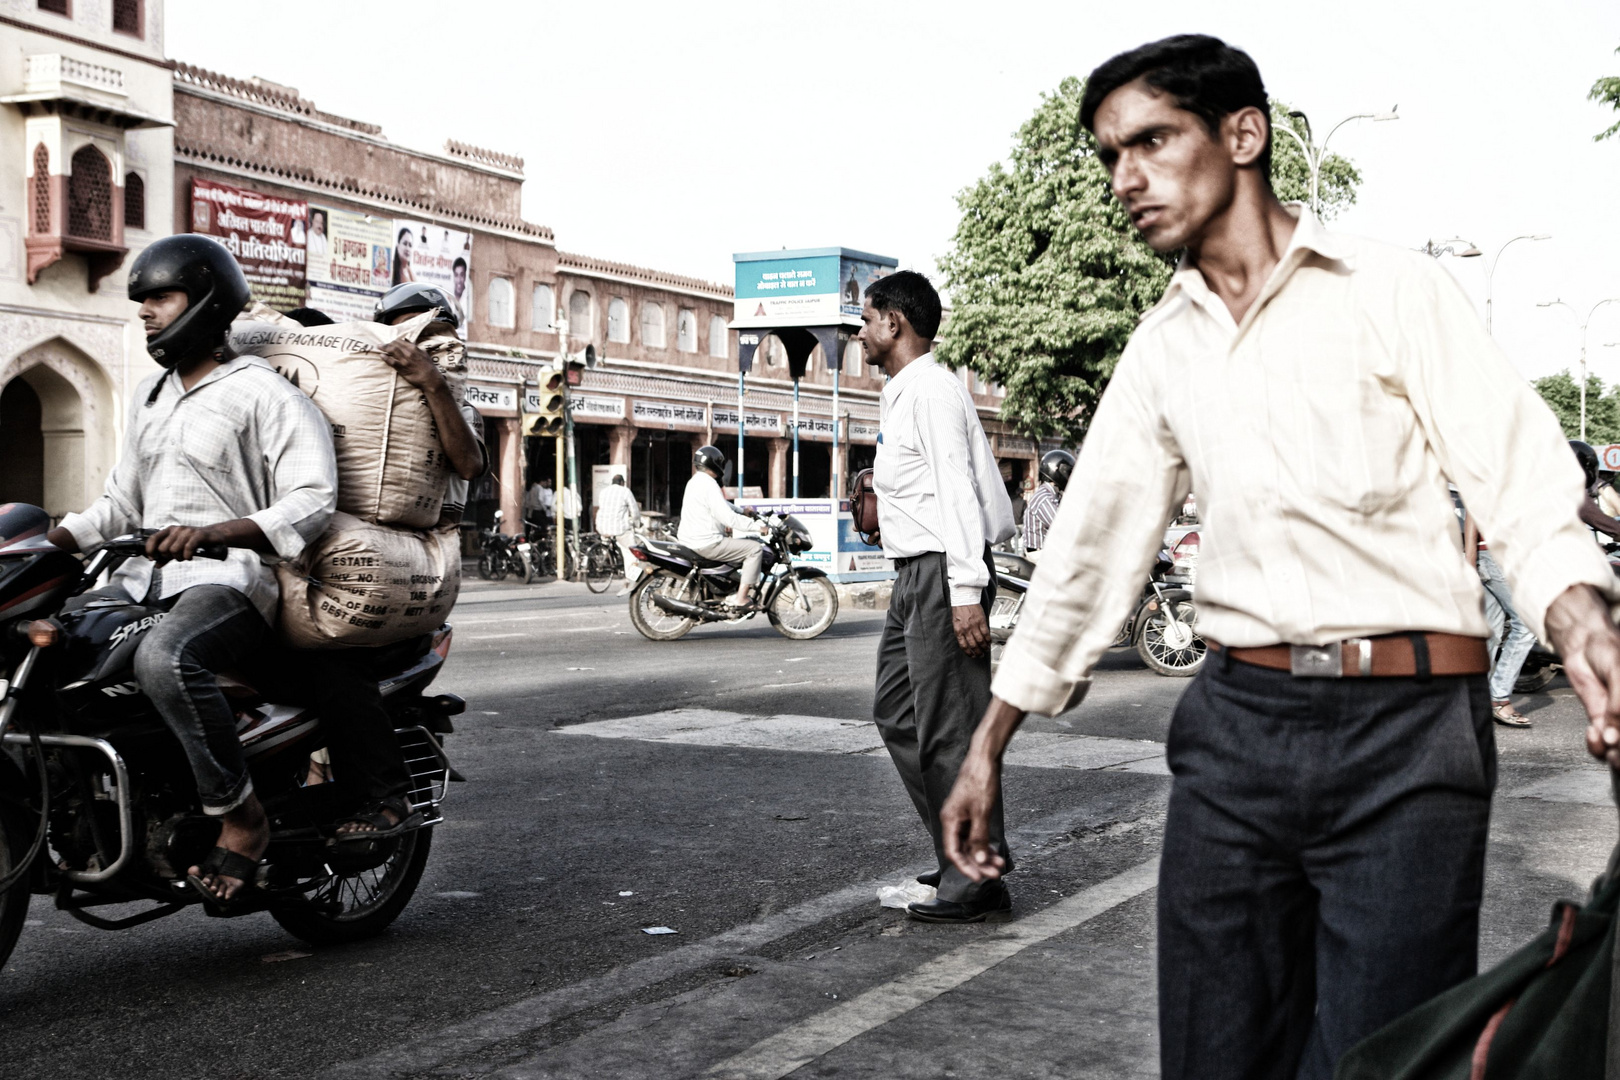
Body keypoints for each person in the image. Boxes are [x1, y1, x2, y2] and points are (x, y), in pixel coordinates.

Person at [937, 36, 1620, 1080]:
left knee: (1383, 1060)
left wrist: (1579, 623)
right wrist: (990, 740)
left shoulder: (1391, 290)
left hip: (1411, 739)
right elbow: (1091, 550)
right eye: (1110, 155)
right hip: (1236, 734)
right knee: (1214, 1054)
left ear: (1243, 134)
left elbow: (1516, 473)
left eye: (1152, 141)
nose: (1125, 179)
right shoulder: (1164, 345)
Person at [44, 234, 338, 906]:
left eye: (161, 296)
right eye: (141, 300)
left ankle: (243, 820)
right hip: (138, 585)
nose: (146, 311)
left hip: (228, 582)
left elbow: (313, 498)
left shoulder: (263, 392)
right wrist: (38, 546)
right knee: (50, 651)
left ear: (206, 301)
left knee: (167, 660)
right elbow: (118, 504)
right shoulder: (150, 396)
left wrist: (215, 533)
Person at [273, 282, 485, 843]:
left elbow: (468, 463)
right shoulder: (354, 388)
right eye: (399, 327)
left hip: (402, 563)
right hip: (317, 549)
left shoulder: (451, 396)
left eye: (423, 328)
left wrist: (430, 382)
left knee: (330, 658)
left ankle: (383, 796)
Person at [861, 270, 1016, 924]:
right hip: (911, 575)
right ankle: (962, 853)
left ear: (894, 323)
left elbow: (957, 490)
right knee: (898, 712)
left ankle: (975, 873)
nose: (861, 333)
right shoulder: (902, 395)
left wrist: (968, 592)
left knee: (949, 728)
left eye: (866, 320)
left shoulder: (933, 390)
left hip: (942, 575)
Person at [1462, 509, 1536, 727]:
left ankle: (1478, 700)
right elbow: (1473, 507)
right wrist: (1470, 559)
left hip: (1495, 555)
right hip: (1496, 556)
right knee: (1527, 625)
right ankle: (1498, 698)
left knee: (1491, 630)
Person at [677, 445, 768, 610]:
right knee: (754, 549)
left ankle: (726, 590)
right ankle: (741, 598)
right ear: (714, 464)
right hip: (707, 542)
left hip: (690, 539)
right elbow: (728, 518)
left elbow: (721, 504)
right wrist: (757, 527)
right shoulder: (710, 484)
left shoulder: (695, 481)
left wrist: (743, 511)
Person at [595, 473, 643, 596]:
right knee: (630, 553)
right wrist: (637, 524)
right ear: (622, 482)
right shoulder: (625, 491)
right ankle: (631, 580)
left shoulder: (604, 492)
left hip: (603, 528)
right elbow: (634, 511)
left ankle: (607, 557)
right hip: (619, 529)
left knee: (611, 543)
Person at [1023, 449, 1074, 556]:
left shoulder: (1052, 495)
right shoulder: (1045, 498)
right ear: (1058, 471)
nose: (1070, 478)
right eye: (1068, 473)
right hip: (1039, 555)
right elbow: (1063, 526)